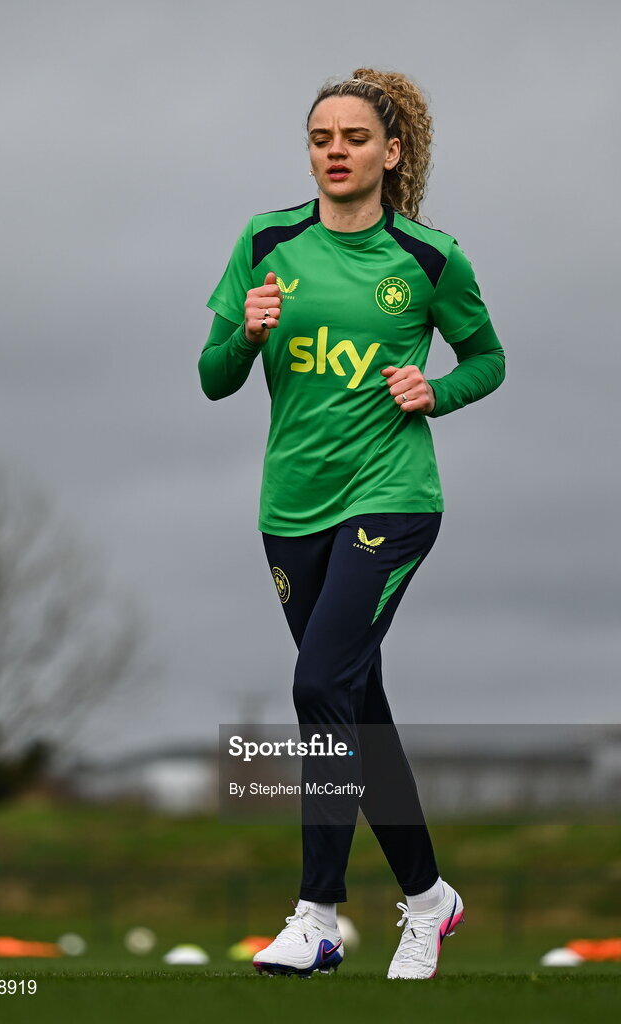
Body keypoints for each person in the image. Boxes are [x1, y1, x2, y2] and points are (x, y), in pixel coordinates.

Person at [198, 67, 505, 980]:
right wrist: (245, 337)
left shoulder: (430, 258)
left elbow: (486, 357)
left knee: (317, 683)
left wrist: (435, 389)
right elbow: (212, 376)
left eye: (356, 138)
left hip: (392, 498)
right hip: (291, 510)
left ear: (391, 152)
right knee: (351, 704)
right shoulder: (266, 240)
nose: (337, 150)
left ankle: (319, 916)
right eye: (322, 138)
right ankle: (427, 898)